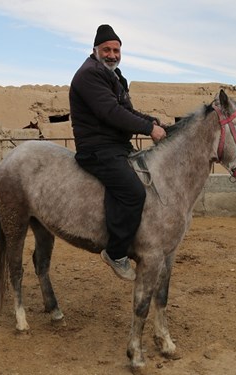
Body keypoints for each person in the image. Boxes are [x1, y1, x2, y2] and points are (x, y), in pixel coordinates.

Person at [69, 24, 167, 281]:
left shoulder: (112, 75)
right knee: (133, 192)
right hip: (97, 149)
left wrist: (153, 122)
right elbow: (110, 113)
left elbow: (127, 110)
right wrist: (148, 129)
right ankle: (115, 252)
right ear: (95, 50)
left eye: (116, 50)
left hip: (116, 146)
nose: (112, 54)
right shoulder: (89, 75)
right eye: (107, 49)